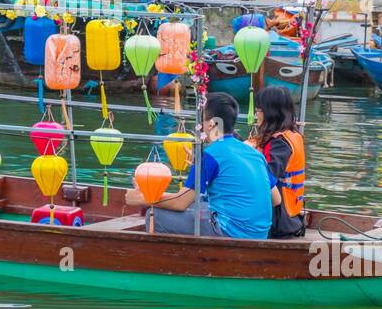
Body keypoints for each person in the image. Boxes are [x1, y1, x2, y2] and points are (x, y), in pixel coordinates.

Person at [126, 92, 273, 238]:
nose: (198, 127)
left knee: (156, 215)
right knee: (197, 204)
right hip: (260, 234)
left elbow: (180, 202)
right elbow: (276, 199)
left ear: (212, 124)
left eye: (200, 120)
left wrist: (142, 199)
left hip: (230, 232)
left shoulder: (211, 154)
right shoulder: (254, 153)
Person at [247, 86, 307, 238]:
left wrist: (250, 155)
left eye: (258, 110)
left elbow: (267, 178)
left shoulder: (280, 143)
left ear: (270, 113)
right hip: (289, 215)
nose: (256, 115)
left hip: (279, 219)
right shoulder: (291, 135)